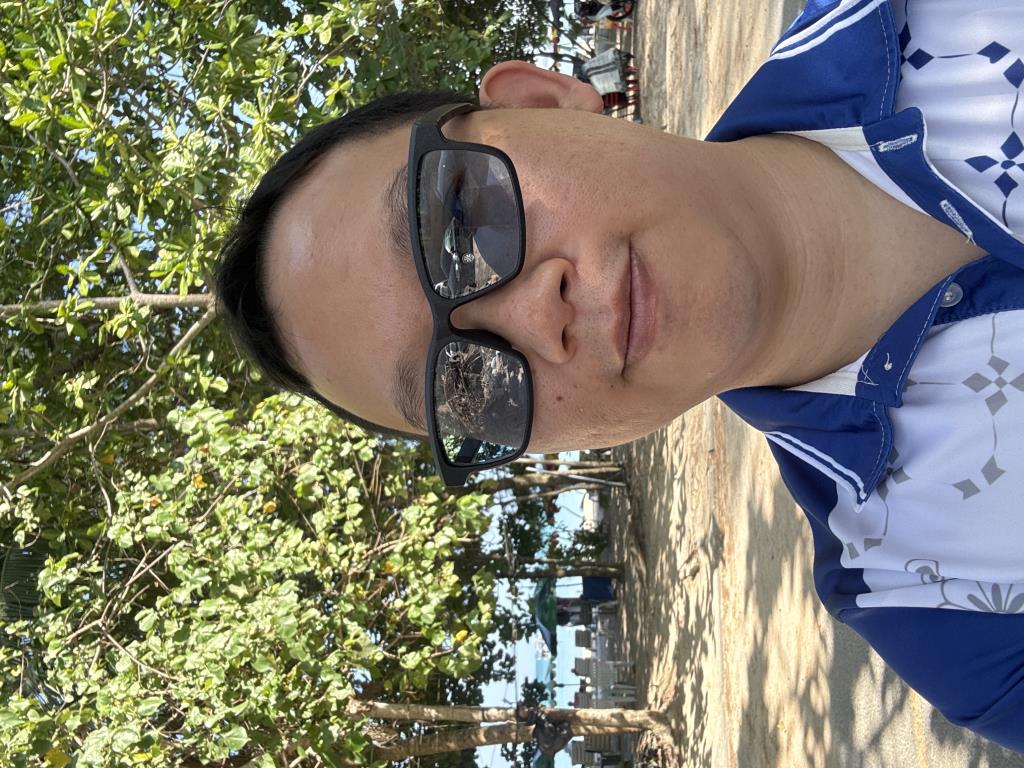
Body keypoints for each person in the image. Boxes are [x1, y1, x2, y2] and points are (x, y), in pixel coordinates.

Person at [215, 0, 1024, 752]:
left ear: (543, 100)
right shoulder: (941, 607)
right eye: (464, 384)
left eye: (462, 224)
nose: (536, 319)